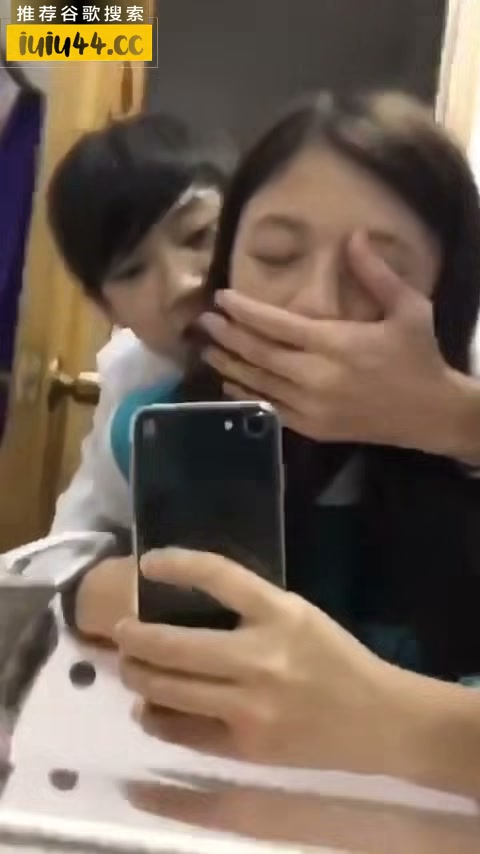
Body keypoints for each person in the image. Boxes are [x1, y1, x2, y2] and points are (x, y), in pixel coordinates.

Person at [115, 92, 480, 796]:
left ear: (448, 289)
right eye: (276, 255)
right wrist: (104, 586)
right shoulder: (160, 419)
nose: (314, 302)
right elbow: (70, 567)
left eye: (380, 269)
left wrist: (450, 419)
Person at [26, 112, 231, 641]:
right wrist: (81, 589)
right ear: (105, 306)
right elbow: (79, 533)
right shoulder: (132, 384)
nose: (182, 284)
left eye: (199, 235)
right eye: (133, 270)